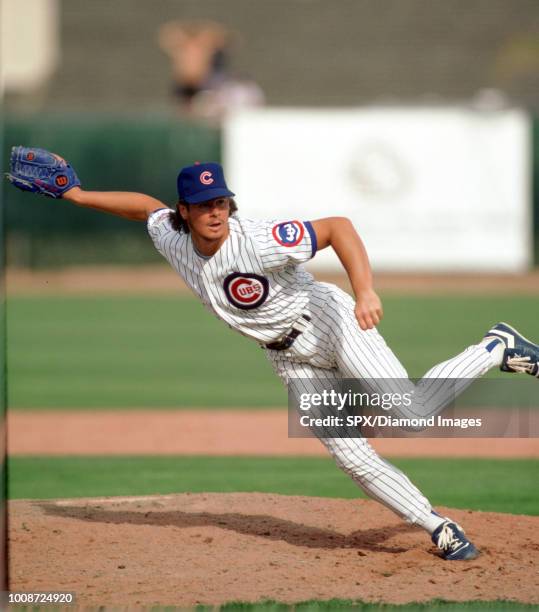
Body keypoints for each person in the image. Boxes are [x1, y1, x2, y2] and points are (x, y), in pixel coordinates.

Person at [6, 148, 539, 561]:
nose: (215, 212)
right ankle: (438, 528)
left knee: (411, 413)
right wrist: (77, 195)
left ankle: (494, 346)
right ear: (185, 211)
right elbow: (145, 207)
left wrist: (368, 290)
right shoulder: (171, 237)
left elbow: (339, 228)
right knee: (350, 455)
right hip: (288, 358)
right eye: (204, 205)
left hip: (330, 323)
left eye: (221, 202)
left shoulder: (256, 240)